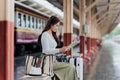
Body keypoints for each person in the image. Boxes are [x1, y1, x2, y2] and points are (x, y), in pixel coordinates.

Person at [38, 16, 78, 80]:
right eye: (56, 25)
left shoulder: (52, 35)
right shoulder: (45, 35)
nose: (57, 28)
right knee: (71, 67)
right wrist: (60, 50)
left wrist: (65, 48)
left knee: (70, 67)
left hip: (53, 61)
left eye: (58, 26)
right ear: (51, 25)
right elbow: (46, 51)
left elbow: (53, 49)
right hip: (47, 63)